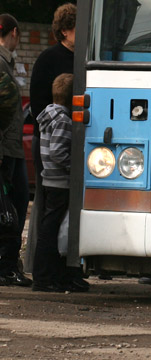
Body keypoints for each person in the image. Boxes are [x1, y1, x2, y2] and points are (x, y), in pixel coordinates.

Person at [25, 3, 76, 271]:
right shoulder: (49, 59)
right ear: (65, 31)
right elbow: (38, 105)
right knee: (50, 209)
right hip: (54, 141)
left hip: (69, 141)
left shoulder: (83, 58)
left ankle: (67, 267)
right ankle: (45, 267)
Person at [32, 73, 87, 292]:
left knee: (49, 228)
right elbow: (57, 151)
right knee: (53, 229)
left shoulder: (47, 115)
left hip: (48, 179)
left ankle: (48, 275)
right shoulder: (64, 121)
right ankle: (45, 278)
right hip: (60, 181)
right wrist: (74, 169)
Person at [0, 14, 30, 287]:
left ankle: (8, 264)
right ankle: (6, 265)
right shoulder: (3, 62)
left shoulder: (7, 62)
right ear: (15, 33)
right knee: (12, 206)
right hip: (7, 148)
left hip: (11, 146)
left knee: (13, 204)